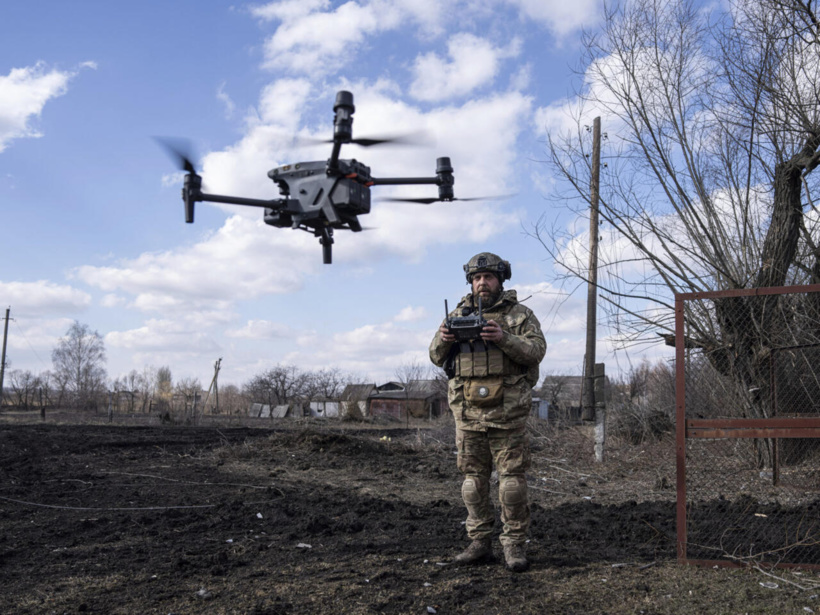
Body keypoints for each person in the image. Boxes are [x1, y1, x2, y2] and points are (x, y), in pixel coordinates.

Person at [429, 252, 546, 573]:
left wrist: (503, 337)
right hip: (467, 414)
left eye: (489, 277)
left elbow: (537, 351)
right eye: (477, 278)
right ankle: (479, 543)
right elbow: (435, 356)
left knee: (511, 483)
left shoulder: (519, 315)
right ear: (471, 282)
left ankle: (513, 546)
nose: (482, 282)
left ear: (500, 280)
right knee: (472, 483)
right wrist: (443, 339)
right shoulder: (457, 314)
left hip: (508, 414)